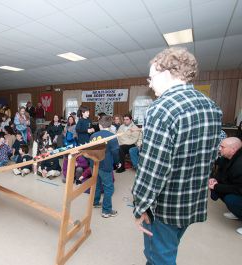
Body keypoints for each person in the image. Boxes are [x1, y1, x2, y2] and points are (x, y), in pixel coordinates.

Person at [132, 47, 223, 265]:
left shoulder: (161, 109)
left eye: (151, 77)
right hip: (193, 200)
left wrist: (140, 205)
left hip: (166, 206)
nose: (150, 83)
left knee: (159, 257)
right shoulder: (211, 106)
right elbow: (213, 153)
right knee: (165, 249)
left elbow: (153, 168)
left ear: (165, 74)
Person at [209, 137, 242, 235]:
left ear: (233, 150)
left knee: (231, 199)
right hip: (237, 188)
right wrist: (214, 180)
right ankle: (238, 214)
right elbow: (220, 173)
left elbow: (239, 189)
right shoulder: (225, 158)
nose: (219, 149)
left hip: (239, 190)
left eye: (222, 147)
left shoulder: (239, 165)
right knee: (219, 192)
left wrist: (216, 187)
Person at [90, 115, 119, 218]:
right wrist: (117, 163)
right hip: (105, 165)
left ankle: (95, 202)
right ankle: (106, 211)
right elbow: (116, 153)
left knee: (97, 184)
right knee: (109, 188)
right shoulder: (112, 136)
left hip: (93, 164)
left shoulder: (93, 136)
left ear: (99, 124)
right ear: (110, 125)